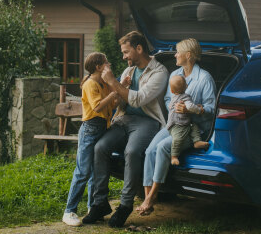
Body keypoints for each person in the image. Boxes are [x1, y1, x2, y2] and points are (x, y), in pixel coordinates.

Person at [82, 31, 168, 228]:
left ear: (139, 49)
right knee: (100, 147)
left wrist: (113, 83)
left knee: (132, 152)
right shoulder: (128, 71)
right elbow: (120, 100)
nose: (123, 57)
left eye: (126, 52)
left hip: (148, 121)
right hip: (124, 119)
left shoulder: (159, 72)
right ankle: (100, 202)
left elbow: (138, 99)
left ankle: (125, 204)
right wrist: (118, 88)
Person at [136, 38, 216, 216]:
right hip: (173, 124)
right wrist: (173, 106)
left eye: (178, 52)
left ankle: (151, 197)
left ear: (188, 55)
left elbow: (211, 108)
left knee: (164, 147)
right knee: (150, 150)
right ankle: (147, 197)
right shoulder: (174, 75)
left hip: (193, 128)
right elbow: (167, 98)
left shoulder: (204, 78)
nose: (175, 55)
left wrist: (192, 109)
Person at [62, 52, 120, 227]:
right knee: (83, 172)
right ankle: (69, 211)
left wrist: (118, 90)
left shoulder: (102, 83)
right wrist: (113, 93)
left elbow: (111, 105)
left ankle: (92, 208)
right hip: (89, 130)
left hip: (102, 128)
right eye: (106, 62)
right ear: (98, 66)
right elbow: (96, 107)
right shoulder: (90, 84)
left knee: (95, 173)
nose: (109, 64)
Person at [165, 75, 209, 166]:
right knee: (178, 139)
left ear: (172, 91)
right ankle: (174, 156)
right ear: (186, 86)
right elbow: (190, 106)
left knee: (194, 126)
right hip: (177, 125)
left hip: (185, 122)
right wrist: (199, 110)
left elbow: (169, 107)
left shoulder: (174, 97)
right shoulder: (186, 97)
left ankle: (196, 141)